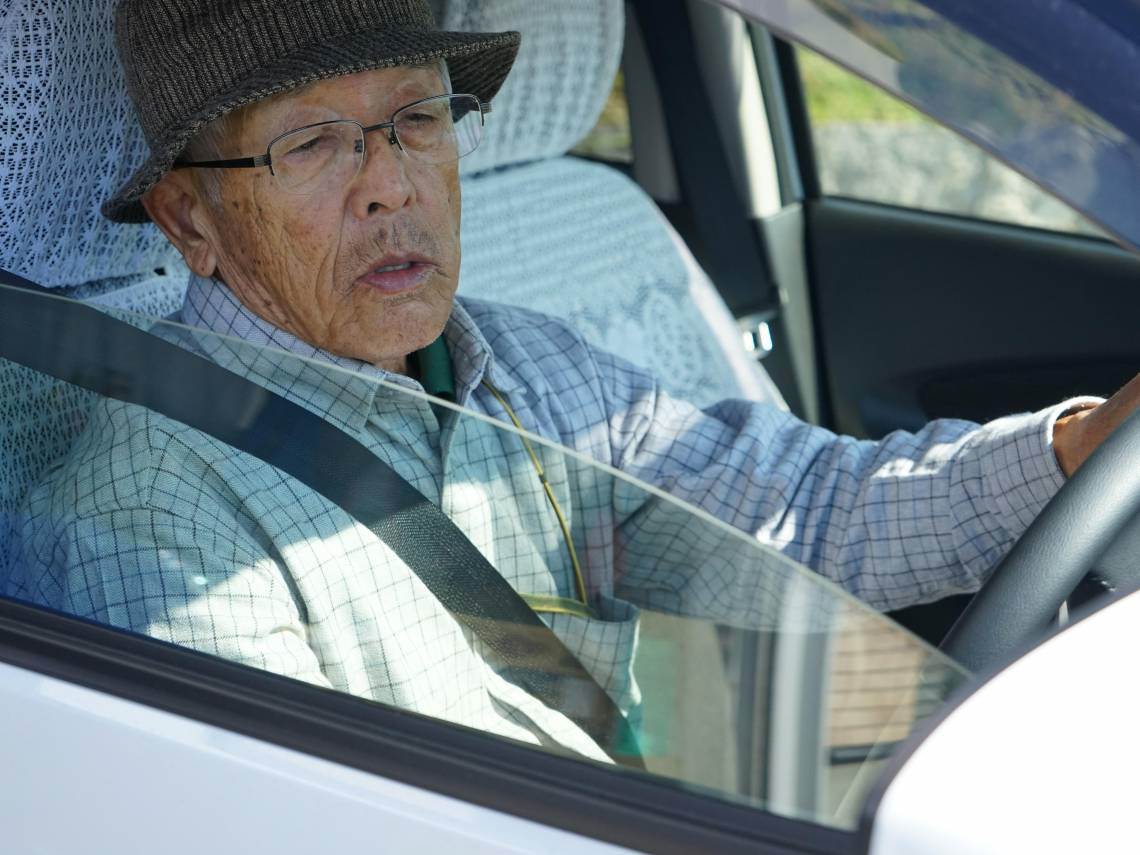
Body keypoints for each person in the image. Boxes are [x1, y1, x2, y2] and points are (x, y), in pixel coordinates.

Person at [7, 0, 1138, 761]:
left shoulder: (524, 361)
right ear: (188, 221)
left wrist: (1078, 455)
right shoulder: (146, 520)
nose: (390, 185)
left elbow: (802, 508)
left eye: (416, 118)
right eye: (310, 145)